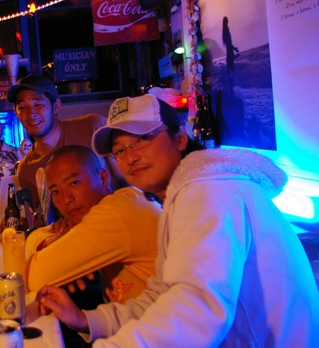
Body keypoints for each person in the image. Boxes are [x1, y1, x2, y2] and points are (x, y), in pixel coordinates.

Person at [37, 94, 319, 347]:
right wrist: (86, 320)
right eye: (120, 150)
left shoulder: (207, 191)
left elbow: (196, 310)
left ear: (180, 138)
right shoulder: (182, 196)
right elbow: (160, 296)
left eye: (143, 138)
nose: (130, 157)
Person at [25, 146, 160, 305]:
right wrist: (50, 241)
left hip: (165, 319)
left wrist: (61, 258)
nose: (66, 199)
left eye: (74, 183)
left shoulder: (117, 212)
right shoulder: (89, 216)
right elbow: (33, 236)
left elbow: (33, 277)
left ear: (103, 178)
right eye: (55, 192)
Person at [7, 75, 124, 208]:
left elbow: (129, 181)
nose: (30, 113)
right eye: (22, 107)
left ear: (56, 106)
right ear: (16, 112)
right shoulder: (26, 170)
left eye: (38, 104)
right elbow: (45, 217)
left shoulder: (93, 127)